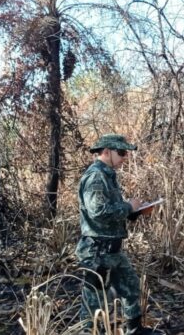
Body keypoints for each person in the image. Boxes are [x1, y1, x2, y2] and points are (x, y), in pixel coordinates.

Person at [75, 134, 155, 335]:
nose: (124, 157)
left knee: (130, 287)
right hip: (98, 251)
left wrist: (135, 212)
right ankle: (89, 332)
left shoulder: (107, 175)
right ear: (106, 152)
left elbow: (111, 211)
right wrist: (129, 206)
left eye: (125, 153)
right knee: (95, 300)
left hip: (113, 249)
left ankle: (135, 330)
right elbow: (98, 212)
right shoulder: (96, 176)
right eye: (121, 152)